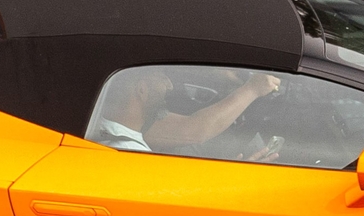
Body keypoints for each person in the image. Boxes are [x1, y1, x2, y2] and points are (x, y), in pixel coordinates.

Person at [91, 67, 282, 158]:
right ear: (141, 90)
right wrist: (253, 89)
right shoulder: (130, 153)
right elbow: (193, 131)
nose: (170, 85)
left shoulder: (107, 126)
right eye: (162, 78)